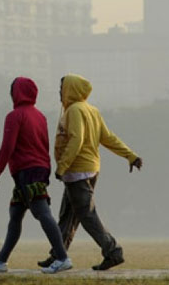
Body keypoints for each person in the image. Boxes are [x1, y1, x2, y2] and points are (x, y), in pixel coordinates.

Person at [38, 74, 143, 271]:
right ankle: (57, 255)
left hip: (77, 170)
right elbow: (108, 137)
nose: (60, 93)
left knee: (86, 214)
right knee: (68, 214)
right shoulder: (91, 110)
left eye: (62, 88)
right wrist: (130, 156)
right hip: (89, 169)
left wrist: (62, 167)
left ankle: (113, 251)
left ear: (72, 90)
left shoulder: (74, 110)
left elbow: (76, 139)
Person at [0, 77, 73, 274]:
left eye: (12, 90)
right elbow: (45, 145)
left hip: (27, 172)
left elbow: (7, 147)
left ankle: (63, 257)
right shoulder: (40, 116)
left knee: (42, 213)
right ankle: (0, 260)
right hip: (37, 169)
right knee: (15, 215)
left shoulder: (14, 116)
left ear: (16, 93)